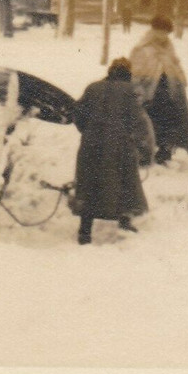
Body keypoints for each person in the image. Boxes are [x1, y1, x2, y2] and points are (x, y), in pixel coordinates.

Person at [71, 58, 153, 245]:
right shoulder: (131, 91)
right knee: (125, 183)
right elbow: (140, 122)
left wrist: (88, 131)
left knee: (89, 186)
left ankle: (84, 232)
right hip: (120, 146)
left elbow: (78, 113)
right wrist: (144, 149)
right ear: (128, 73)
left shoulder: (93, 88)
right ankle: (124, 222)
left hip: (91, 145)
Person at [129, 15, 188, 165]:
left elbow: (175, 66)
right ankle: (145, 154)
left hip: (168, 93)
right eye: (161, 31)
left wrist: (180, 81)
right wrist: (138, 91)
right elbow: (135, 74)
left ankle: (165, 152)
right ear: (154, 30)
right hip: (149, 94)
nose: (163, 35)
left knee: (170, 123)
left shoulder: (169, 49)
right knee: (148, 124)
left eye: (166, 32)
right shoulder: (142, 49)